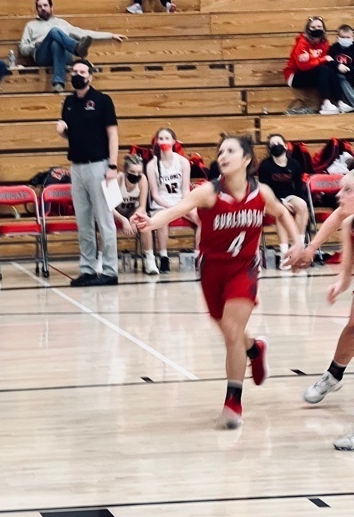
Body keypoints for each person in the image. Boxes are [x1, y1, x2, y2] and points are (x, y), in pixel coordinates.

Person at [134, 134, 298, 429]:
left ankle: (233, 401)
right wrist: (150, 222)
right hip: (212, 270)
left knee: (232, 331)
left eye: (230, 151)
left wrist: (297, 243)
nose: (223, 156)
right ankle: (255, 349)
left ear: (246, 159)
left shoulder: (261, 193)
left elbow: (283, 213)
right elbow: (175, 211)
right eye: (220, 151)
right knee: (228, 330)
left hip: (244, 269)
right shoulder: (208, 192)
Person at [298, 172, 354, 450]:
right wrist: (339, 285)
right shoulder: (351, 223)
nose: (338, 195)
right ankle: (333, 376)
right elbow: (346, 276)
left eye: (347, 190)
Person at [55, 58, 119, 287]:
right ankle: (88, 270)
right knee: (83, 222)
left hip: (99, 166)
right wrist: (63, 133)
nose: (78, 74)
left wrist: (112, 166)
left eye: (82, 71)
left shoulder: (102, 101)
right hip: (77, 167)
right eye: (75, 71)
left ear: (91, 76)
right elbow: (72, 136)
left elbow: (112, 134)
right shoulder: (69, 102)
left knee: (104, 220)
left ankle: (110, 271)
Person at [19, 0, 126, 94]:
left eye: (45, 5)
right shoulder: (31, 25)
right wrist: (34, 46)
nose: (42, 8)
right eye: (39, 6)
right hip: (42, 55)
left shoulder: (61, 23)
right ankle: (76, 48)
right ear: (37, 9)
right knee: (54, 32)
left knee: (56, 42)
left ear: (51, 7)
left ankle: (58, 83)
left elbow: (82, 33)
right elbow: (22, 49)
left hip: (64, 55)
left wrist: (110, 35)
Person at [145, 128, 197, 273]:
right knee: (162, 221)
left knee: (201, 219)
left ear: (174, 141)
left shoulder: (183, 162)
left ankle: (199, 256)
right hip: (161, 203)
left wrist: (183, 206)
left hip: (181, 201)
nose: (163, 141)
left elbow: (186, 190)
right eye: (160, 139)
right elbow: (155, 194)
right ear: (157, 142)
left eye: (167, 138)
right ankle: (163, 257)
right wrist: (169, 207)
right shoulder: (151, 165)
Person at [256, 134, 309, 257]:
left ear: (285, 146)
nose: (276, 146)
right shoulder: (265, 165)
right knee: (281, 211)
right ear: (269, 149)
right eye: (272, 144)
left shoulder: (294, 164)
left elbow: (299, 188)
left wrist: (296, 201)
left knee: (302, 205)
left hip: (290, 196)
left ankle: (298, 248)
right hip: (272, 199)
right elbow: (264, 189)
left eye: (278, 143)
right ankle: (285, 254)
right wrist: (279, 201)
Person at [114, 154, 159, 275]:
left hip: (131, 213)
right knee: (107, 225)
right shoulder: (118, 179)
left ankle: (150, 259)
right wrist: (124, 220)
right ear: (125, 170)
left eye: (139, 172)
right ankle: (102, 259)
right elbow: (109, 207)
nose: (136, 175)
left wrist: (133, 219)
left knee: (144, 223)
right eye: (132, 171)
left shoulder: (143, 180)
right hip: (115, 213)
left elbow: (142, 206)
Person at [284, 16, 339, 114]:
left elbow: (318, 63)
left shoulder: (324, 43)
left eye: (319, 26)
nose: (316, 29)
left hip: (313, 72)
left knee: (330, 71)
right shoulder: (302, 43)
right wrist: (322, 59)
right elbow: (303, 66)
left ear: (323, 29)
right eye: (313, 27)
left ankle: (340, 102)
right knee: (324, 70)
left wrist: (312, 59)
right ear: (308, 29)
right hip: (295, 76)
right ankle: (325, 103)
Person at [326, 23, 354, 112]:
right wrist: (337, 66)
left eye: (348, 37)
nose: (345, 39)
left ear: (352, 37)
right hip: (341, 76)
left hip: (352, 74)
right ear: (338, 37)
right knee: (340, 77)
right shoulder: (333, 49)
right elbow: (328, 62)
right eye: (343, 37)